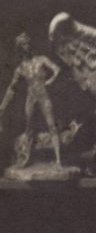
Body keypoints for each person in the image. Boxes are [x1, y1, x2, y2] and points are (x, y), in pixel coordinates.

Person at [0, 32, 63, 168]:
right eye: (23, 44)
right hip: (31, 97)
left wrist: (50, 80)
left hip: (43, 95)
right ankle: (26, 159)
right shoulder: (20, 69)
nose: (27, 46)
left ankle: (59, 161)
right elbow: (11, 88)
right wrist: (3, 106)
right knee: (29, 128)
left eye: (28, 43)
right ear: (19, 48)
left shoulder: (41, 60)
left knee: (51, 125)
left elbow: (57, 69)